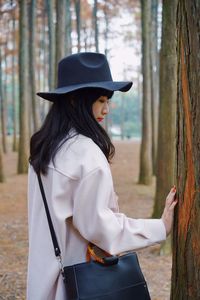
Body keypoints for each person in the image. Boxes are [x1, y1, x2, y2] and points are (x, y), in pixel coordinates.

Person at [27, 52, 177, 300]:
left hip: (44, 281)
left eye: (108, 100)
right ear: (75, 101)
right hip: (75, 286)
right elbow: (100, 228)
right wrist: (159, 227)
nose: (106, 109)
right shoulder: (86, 154)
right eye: (100, 100)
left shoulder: (44, 149)